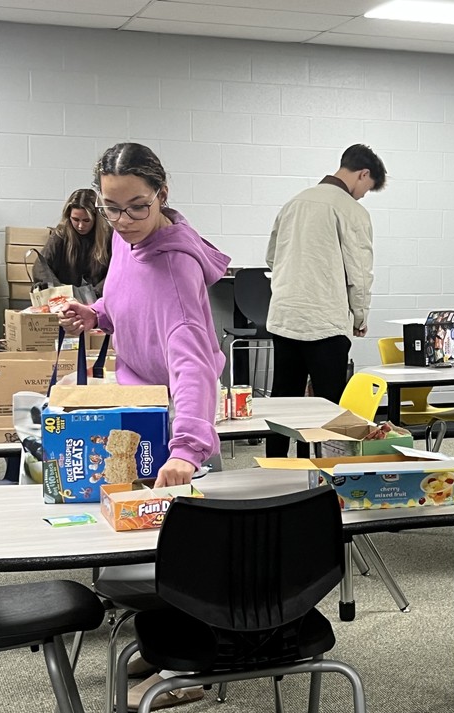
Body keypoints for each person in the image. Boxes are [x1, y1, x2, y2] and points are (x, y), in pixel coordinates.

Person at [58, 142, 228, 488]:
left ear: (161, 194)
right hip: (138, 401)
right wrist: (97, 313)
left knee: (180, 531)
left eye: (137, 207)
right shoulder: (129, 237)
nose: (122, 221)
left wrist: (185, 450)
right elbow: (129, 296)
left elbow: (193, 365)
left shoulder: (175, 271)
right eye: (111, 208)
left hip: (176, 417)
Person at [264, 143, 387, 457]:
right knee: (327, 405)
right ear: (363, 174)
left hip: (285, 318)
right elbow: (359, 274)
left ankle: (275, 471)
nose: (362, 195)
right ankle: (318, 477)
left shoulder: (293, 203)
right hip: (325, 323)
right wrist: (360, 317)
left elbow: (271, 258)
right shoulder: (351, 210)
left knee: (283, 402)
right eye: (366, 189)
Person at [31, 188, 112, 302]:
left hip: (99, 299)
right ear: (68, 216)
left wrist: (95, 293)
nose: (80, 226)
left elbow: (116, 272)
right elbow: (41, 266)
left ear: (96, 218)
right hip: (65, 298)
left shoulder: (109, 236)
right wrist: (58, 290)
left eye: (86, 220)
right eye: (75, 219)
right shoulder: (61, 233)